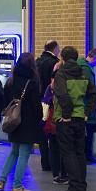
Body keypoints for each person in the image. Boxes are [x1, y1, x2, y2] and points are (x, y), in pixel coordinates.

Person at [54, 46, 96, 191]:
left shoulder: (61, 74)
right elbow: (95, 93)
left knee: (68, 153)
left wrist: (66, 115)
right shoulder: (83, 73)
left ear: (63, 58)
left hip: (65, 119)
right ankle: (82, 186)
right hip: (80, 118)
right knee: (80, 152)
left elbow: (62, 95)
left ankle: (74, 187)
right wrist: (87, 112)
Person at [0, 53, 42, 191]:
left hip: (14, 121)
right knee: (24, 155)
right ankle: (17, 186)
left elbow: (4, 100)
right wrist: (40, 118)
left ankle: (1, 181)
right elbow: (36, 105)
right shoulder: (31, 82)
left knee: (14, 152)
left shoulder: (11, 80)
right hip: (27, 122)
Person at [42, 64, 68, 185]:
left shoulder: (50, 88)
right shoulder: (65, 87)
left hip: (52, 122)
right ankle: (62, 174)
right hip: (61, 121)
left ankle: (56, 174)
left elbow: (45, 102)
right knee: (62, 148)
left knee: (53, 148)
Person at [36, 40, 60, 171]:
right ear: (55, 48)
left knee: (42, 133)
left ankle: (45, 162)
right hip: (50, 101)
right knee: (52, 133)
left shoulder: (37, 61)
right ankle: (54, 163)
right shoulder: (54, 63)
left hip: (38, 102)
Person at [78, 48, 96, 163]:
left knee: (87, 132)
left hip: (83, 103)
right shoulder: (86, 69)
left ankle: (87, 155)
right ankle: (87, 156)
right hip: (86, 104)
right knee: (88, 132)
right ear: (94, 57)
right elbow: (88, 87)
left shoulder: (81, 65)